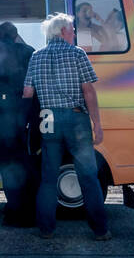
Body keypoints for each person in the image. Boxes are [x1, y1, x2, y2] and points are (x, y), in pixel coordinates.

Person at [23, 13, 110, 239]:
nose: (74, 33)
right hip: (75, 119)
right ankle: (100, 230)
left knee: (48, 177)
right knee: (88, 177)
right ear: (63, 31)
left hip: (48, 118)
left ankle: (46, 229)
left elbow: (27, 93)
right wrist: (97, 123)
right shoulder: (77, 53)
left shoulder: (36, 56)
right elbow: (88, 91)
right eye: (72, 29)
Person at [0, 21, 39, 226]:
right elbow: (36, 85)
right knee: (28, 162)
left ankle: (14, 211)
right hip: (29, 115)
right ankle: (31, 213)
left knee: (8, 164)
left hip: (5, 116)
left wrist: (0, 108)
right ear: (16, 35)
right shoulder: (30, 52)